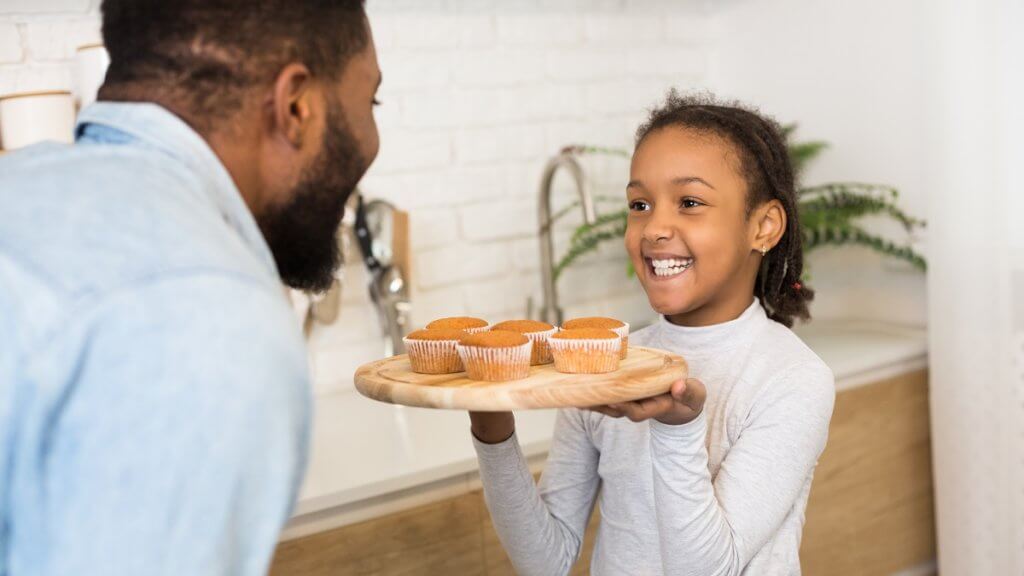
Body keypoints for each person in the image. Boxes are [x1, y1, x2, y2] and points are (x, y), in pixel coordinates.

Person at [0, 1, 380, 574]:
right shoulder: (206, 318)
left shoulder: (20, 189)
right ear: (297, 106)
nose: (373, 139)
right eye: (371, 102)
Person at [468, 91, 836, 575]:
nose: (654, 227)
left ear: (764, 226)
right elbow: (546, 561)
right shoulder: (607, 364)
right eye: (639, 203)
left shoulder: (792, 379)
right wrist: (491, 427)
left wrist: (678, 428)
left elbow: (708, 568)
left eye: (689, 202)